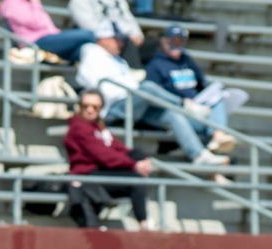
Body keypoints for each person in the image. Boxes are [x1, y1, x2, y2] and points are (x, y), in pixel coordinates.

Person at [76, 34, 224, 167]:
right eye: (115, 39)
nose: (120, 43)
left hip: (134, 105)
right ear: (103, 39)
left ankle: (198, 154)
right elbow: (100, 90)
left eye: (120, 39)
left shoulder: (118, 61)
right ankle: (185, 104)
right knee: (147, 87)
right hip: (115, 109)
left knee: (171, 114)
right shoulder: (91, 54)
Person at [144, 24, 244, 156]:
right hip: (177, 112)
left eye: (179, 41)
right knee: (210, 123)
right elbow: (152, 94)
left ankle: (217, 137)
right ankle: (214, 144)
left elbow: (202, 84)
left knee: (218, 101)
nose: (176, 45)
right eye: (172, 41)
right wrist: (183, 103)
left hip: (198, 109)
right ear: (164, 41)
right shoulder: (155, 65)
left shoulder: (186, 60)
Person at [62, 90, 152, 228]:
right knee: (136, 180)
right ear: (79, 107)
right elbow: (104, 156)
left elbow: (118, 148)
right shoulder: (78, 128)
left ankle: (143, 221)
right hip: (87, 174)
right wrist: (134, 165)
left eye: (95, 107)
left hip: (102, 170)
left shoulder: (99, 126)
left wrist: (142, 158)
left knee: (137, 162)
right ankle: (144, 224)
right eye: (85, 106)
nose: (90, 110)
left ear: (101, 108)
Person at [0, 0, 96, 63]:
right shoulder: (11, 2)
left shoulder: (31, 3)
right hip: (35, 43)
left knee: (88, 50)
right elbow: (35, 23)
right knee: (89, 35)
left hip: (49, 39)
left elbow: (49, 27)